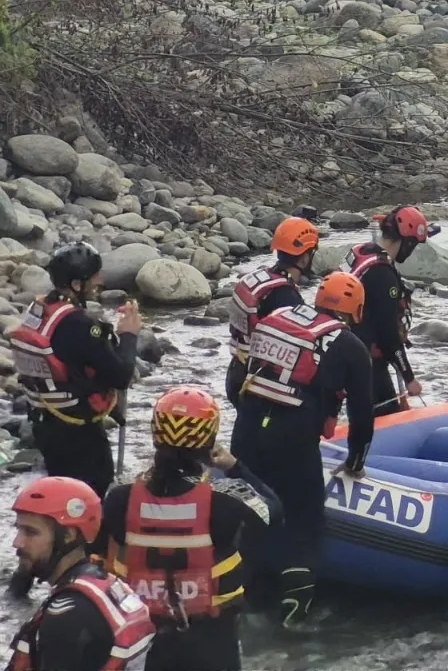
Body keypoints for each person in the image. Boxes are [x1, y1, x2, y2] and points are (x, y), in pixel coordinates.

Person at [99, 388, 280, 671]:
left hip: (147, 641)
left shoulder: (119, 499)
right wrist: (235, 467)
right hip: (213, 641)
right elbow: (274, 511)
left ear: (156, 434)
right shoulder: (226, 500)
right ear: (208, 442)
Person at [232, 272, 373, 628]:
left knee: (250, 516)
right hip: (292, 437)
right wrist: (355, 461)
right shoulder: (349, 345)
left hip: (247, 428)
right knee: (305, 520)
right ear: (355, 311)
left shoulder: (274, 318)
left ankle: (244, 601)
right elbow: (362, 414)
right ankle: (292, 620)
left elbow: (238, 377)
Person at [10, 243, 141, 499]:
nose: (99, 281)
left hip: (45, 424)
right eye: (94, 277)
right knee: (91, 497)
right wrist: (128, 335)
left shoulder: (39, 310)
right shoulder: (80, 324)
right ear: (77, 285)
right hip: (78, 434)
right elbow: (121, 375)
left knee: (61, 497)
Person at [8, 478, 155, 670]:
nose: (17, 543)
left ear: (69, 535)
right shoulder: (104, 582)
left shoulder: (68, 614)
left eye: (31, 532)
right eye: (18, 530)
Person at [346, 208, 433, 419]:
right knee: (385, 417)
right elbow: (388, 335)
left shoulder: (363, 253)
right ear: (407, 242)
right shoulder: (382, 274)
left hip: (350, 354)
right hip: (368, 363)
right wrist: (409, 378)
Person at [224, 217, 317, 408]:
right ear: (305, 257)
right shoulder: (286, 297)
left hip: (236, 370)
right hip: (257, 384)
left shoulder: (260, 280)